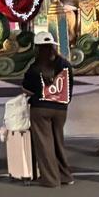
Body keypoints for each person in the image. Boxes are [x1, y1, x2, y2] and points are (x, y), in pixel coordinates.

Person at [22, 31, 74, 188]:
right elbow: (70, 87)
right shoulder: (65, 64)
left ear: (37, 48)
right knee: (58, 141)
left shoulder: (34, 67)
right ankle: (65, 175)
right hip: (61, 108)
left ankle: (51, 179)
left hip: (41, 108)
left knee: (45, 144)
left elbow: (26, 88)